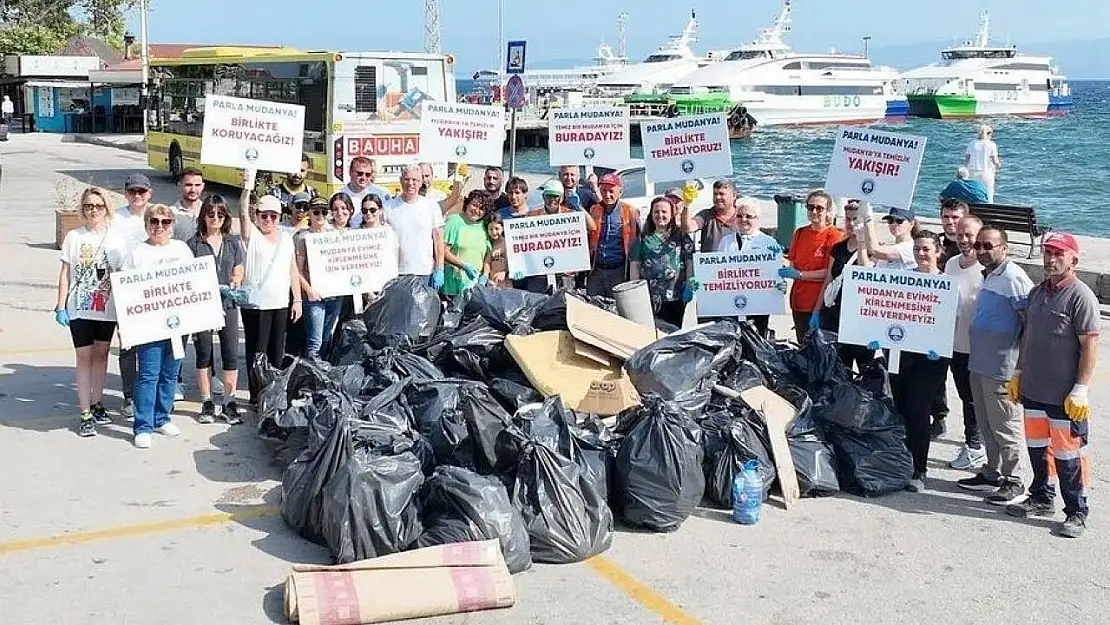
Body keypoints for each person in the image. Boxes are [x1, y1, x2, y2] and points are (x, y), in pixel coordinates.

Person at [1004, 233, 1098, 538]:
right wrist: (1019, 372)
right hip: (1033, 389)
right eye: (1047, 252)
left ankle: (1076, 512)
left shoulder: (1080, 296)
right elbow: (1027, 336)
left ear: (1074, 260)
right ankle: (1042, 498)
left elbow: (1090, 345)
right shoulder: (1037, 293)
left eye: (1058, 253)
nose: (1050, 258)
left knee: (1068, 456)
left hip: (1063, 395)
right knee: (1037, 449)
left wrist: (1081, 387)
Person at [956, 225, 1034, 505]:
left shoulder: (1013, 277)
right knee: (987, 423)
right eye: (978, 246)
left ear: (1004, 247)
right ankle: (991, 472)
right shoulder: (987, 275)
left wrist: (1020, 366)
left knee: (1005, 424)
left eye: (988, 246)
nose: (982, 251)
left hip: (1002, 366)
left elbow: (1028, 323)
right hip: (980, 362)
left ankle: (1014, 480)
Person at [54, 187, 127, 437]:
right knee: (84, 358)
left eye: (98, 206)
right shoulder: (74, 236)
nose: (93, 210)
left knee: (101, 356)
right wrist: (60, 305)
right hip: (80, 308)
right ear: (82, 209)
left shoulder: (116, 237)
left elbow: (123, 273)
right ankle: (85, 413)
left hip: (107, 309)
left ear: (106, 208)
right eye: (88, 206)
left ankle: (97, 403)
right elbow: (65, 273)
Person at [883, 230, 951, 493]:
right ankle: (901, 461)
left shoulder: (946, 283)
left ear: (938, 252)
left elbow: (950, 322)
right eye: (917, 249)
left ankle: (919, 469)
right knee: (899, 408)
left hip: (931, 358)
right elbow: (887, 313)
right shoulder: (905, 280)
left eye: (926, 249)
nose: (921, 254)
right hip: (901, 353)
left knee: (918, 410)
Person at [123, 204, 195, 449]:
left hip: (177, 323)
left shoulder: (182, 249)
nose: (159, 227)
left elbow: (192, 283)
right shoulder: (137, 253)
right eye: (154, 221)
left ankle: (162, 417)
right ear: (147, 224)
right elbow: (126, 292)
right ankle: (143, 425)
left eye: (165, 222)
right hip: (148, 325)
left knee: (170, 373)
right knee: (148, 374)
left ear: (172, 225)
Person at [240, 170, 303, 406]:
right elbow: (242, 215)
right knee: (257, 352)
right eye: (263, 215)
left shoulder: (286, 238)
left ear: (279, 217)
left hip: (279, 303)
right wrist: (247, 188)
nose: (268, 220)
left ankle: (273, 393)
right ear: (257, 216)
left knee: (277, 351)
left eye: (273, 216)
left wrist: (296, 299)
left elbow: (292, 270)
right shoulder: (251, 236)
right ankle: (256, 396)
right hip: (256, 305)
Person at [185, 195, 245, 424]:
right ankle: (207, 401)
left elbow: (238, 268)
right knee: (204, 354)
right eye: (211, 215)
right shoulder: (193, 244)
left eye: (220, 215)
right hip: (202, 306)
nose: (215, 219)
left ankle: (229, 401)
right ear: (203, 216)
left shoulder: (232, 242)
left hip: (227, 304)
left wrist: (236, 280)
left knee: (230, 354)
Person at [702, 197, 782, 337]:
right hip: (730, 300)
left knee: (757, 338)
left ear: (757, 219)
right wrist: (704, 282)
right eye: (739, 215)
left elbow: (776, 273)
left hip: (759, 303)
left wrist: (780, 284)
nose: (743, 219)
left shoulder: (767, 242)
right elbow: (717, 270)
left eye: (749, 216)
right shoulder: (726, 241)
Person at [944, 215, 987, 471]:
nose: (963, 240)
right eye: (960, 234)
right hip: (956, 344)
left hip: (981, 348)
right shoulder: (950, 264)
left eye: (969, 235)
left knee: (977, 400)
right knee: (965, 396)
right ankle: (974, 443)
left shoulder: (988, 268)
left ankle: (975, 446)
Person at [813, 199, 872, 370]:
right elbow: (829, 279)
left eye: (856, 219)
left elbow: (866, 273)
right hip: (834, 314)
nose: (851, 223)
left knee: (865, 368)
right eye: (848, 219)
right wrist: (817, 311)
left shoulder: (872, 250)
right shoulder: (838, 248)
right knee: (838, 366)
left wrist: (862, 242)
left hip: (859, 318)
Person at [779, 190, 843, 343]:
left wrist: (800, 275)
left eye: (819, 208)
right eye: (810, 207)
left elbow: (831, 273)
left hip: (820, 304)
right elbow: (792, 262)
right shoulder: (800, 233)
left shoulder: (834, 236)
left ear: (828, 211)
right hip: (798, 302)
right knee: (803, 347)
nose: (814, 211)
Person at [115, 173, 154, 417]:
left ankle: (152, 394)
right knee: (128, 344)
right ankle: (129, 395)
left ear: (149, 193)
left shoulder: (158, 214)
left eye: (142, 191)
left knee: (154, 344)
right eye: (133, 192)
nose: (137, 196)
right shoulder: (117, 218)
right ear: (126, 193)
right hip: (126, 288)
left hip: (155, 290)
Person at [629, 196, 695, 327]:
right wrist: (635, 292)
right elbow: (634, 266)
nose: (660, 215)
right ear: (651, 214)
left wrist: (689, 284)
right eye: (656, 212)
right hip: (650, 298)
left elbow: (689, 262)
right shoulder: (642, 239)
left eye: (664, 212)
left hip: (676, 297)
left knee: (674, 333)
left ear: (671, 214)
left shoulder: (681, 237)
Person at [295, 196, 342, 360]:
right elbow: (297, 270)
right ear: (309, 213)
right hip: (313, 296)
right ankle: (311, 375)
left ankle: (322, 373)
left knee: (326, 337)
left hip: (334, 295)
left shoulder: (335, 235)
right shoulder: (302, 237)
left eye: (324, 211)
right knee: (315, 342)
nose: (320, 215)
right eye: (316, 212)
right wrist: (309, 291)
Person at [385, 164, 446, 287]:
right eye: (407, 179)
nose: (410, 183)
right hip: (397, 272)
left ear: (420, 182)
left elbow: (438, 240)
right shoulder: (388, 207)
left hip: (424, 271)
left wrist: (439, 268)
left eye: (415, 180)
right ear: (401, 181)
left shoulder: (431, 205)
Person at [586, 173, 641, 297]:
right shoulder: (595, 209)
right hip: (596, 270)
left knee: (615, 307)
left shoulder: (631, 211)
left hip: (619, 270)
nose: (607, 195)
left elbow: (639, 240)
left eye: (611, 191)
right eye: (604, 191)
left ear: (620, 192)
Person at [442, 190, 491, 297]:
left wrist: (485, 275)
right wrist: (463, 266)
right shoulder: (454, 221)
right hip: (452, 286)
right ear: (467, 204)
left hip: (474, 286)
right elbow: (442, 251)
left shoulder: (484, 226)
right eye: (474, 205)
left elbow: (488, 253)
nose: (476, 210)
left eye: (482, 208)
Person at [683, 179, 741, 252]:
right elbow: (687, 228)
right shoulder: (706, 215)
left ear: (734, 195)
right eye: (715, 194)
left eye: (721, 194)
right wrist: (686, 205)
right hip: (710, 262)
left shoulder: (742, 216)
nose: (717, 197)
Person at [863, 205, 916, 271]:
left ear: (911, 224)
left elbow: (874, 251)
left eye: (899, 221)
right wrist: (860, 240)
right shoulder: (888, 249)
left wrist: (868, 220)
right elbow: (864, 268)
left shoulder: (912, 248)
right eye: (891, 220)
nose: (894, 224)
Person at [343, 157, 391, 228]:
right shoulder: (340, 195)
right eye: (359, 173)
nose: (363, 177)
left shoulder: (382, 194)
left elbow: (389, 220)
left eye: (367, 174)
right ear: (350, 172)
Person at [268, 153, 318, 219]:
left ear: (307, 172)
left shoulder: (312, 194)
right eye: (294, 170)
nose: (297, 174)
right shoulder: (274, 194)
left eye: (302, 170)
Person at [965, 124, 1001, 202]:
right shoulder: (991, 144)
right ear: (989, 134)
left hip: (973, 172)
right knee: (989, 195)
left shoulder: (972, 143)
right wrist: (998, 165)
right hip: (986, 172)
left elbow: (967, 159)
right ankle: (989, 210)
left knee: (974, 194)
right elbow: (994, 160)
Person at [172, 166, 205, 242]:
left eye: (197, 185)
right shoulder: (171, 213)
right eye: (188, 185)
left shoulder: (210, 212)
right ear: (180, 185)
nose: (193, 190)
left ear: (203, 186)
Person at [483, 213, 510, 288]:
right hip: (492, 283)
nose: (494, 232)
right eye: (491, 229)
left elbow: (512, 262)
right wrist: (485, 275)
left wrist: (505, 272)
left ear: (503, 228)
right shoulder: (489, 244)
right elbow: (487, 262)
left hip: (506, 282)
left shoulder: (507, 243)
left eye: (497, 229)